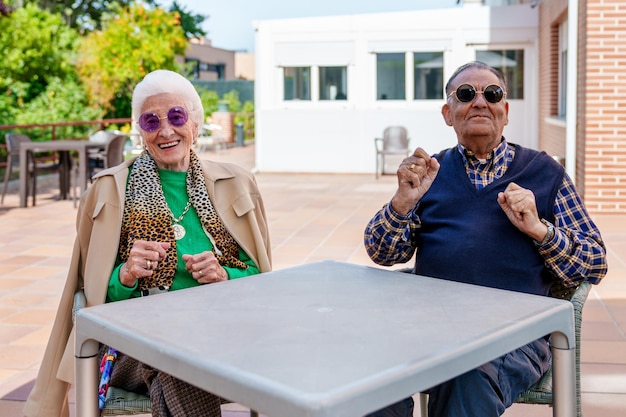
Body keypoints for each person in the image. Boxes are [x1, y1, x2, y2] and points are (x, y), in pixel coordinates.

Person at [364, 61, 608, 417]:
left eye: (491, 94)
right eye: (466, 94)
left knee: (467, 374)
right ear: (449, 114)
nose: (480, 102)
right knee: (367, 380)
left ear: (504, 111)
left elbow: (595, 261)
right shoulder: (430, 174)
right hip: (427, 328)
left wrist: (540, 230)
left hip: (514, 335)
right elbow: (381, 252)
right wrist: (403, 202)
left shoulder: (544, 172)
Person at [24, 69, 272, 417]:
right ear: (140, 131)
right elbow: (89, 294)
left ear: (195, 125)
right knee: (175, 358)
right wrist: (125, 275)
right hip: (131, 345)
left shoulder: (237, 183)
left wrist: (224, 275)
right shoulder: (109, 190)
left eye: (176, 117)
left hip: (222, 335)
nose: (165, 130)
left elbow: (263, 280)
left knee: (176, 363)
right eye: (151, 121)